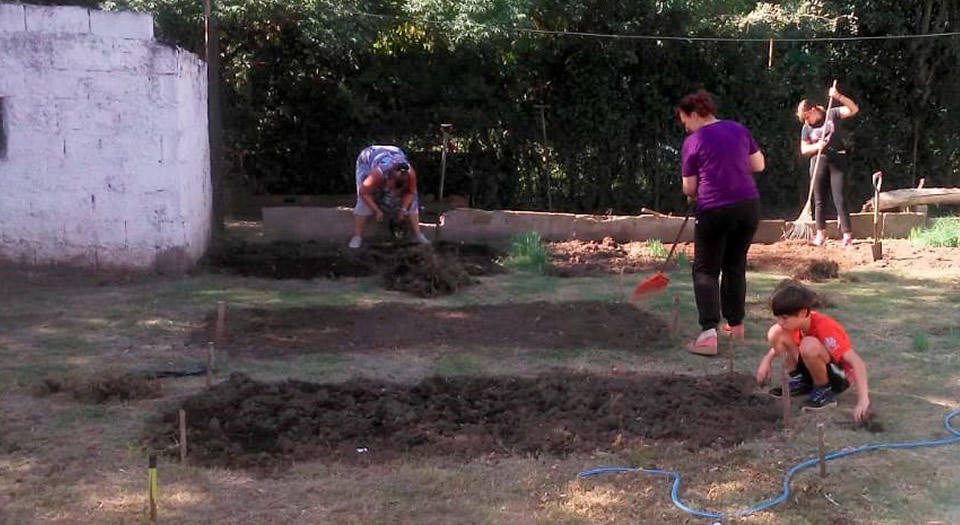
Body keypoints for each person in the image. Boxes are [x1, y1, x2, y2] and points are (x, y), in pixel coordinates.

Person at [676, 90, 765, 356]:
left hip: (714, 209)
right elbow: (758, 164)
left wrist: (694, 192)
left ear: (694, 114)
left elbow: (689, 187)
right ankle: (736, 326)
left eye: (685, 121)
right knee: (735, 265)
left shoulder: (693, 141)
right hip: (748, 206)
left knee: (705, 269)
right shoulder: (738, 129)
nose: (685, 127)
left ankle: (708, 334)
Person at [755, 282, 871, 422]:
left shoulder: (824, 327)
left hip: (839, 376)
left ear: (803, 313)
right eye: (778, 317)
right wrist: (767, 360)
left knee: (808, 344)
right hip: (815, 364)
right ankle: (802, 383)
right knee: (776, 332)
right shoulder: (797, 324)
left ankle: (824, 391)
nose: (780, 322)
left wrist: (863, 400)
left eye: (784, 318)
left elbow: (857, 362)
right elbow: (783, 341)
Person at [797, 86, 859, 247]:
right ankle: (820, 234)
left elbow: (853, 109)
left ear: (812, 110)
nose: (806, 120)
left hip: (838, 158)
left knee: (840, 199)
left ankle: (847, 235)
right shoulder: (806, 128)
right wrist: (818, 146)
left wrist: (838, 96)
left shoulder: (832, 114)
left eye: (806, 116)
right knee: (819, 200)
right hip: (819, 161)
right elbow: (804, 149)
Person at [349, 145, 430, 249]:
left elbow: (410, 192)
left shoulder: (410, 173)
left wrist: (403, 210)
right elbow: (364, 192)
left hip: (395, 152)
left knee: (413, 200)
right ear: (388, 177)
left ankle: (418, 234)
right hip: (368, 156)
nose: (393, 192)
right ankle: (357, 236)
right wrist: (376, 210)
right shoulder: (377, 173)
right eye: (391, 187)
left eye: (398, 190)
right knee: (363, 202)